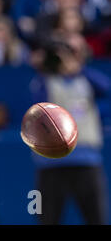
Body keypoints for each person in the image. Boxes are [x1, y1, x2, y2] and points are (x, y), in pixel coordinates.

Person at [29, 33, 110, 224]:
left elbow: (106, 87)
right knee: (48, 217)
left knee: (95, 217)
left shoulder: (86, 79)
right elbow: (37, 105)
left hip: (86, 160)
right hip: (52, 163)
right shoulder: (44, 81)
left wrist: (79, 69)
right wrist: (45, 67)